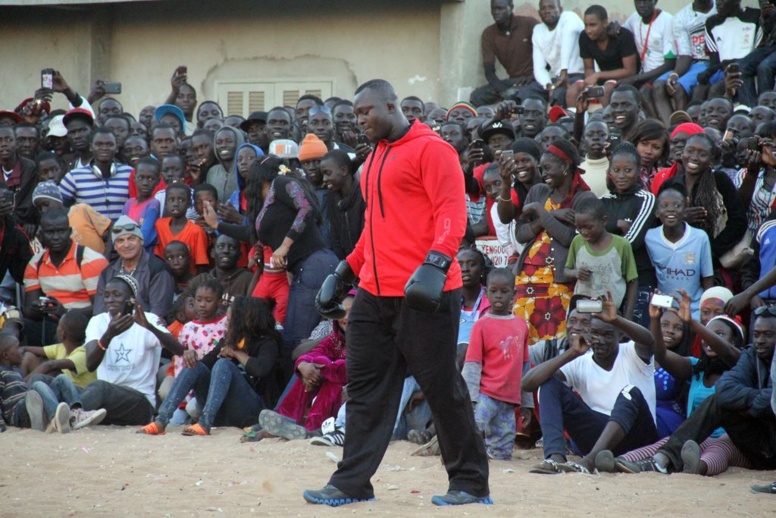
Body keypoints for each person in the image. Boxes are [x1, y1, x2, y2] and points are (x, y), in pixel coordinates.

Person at [306, 79, 491, 507]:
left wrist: (438, 261)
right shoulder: (371, 161)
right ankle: (351, 483)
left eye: (365, 112)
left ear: (391, 106)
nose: (359, 122)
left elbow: (452, 211)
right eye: (354, 116)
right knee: (366, 388)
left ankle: (470, 483)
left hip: (424, 293)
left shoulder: (434, 150)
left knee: (442, 387)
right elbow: (375, 227)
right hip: (374, 292)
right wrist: (346, 268)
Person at [522, 292, 658, 474]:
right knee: (549, 383)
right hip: (600, 438)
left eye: (607, 335)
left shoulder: (633, 352)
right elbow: (527, 384)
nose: (600, 340)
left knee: (630, 392)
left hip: (639, 438)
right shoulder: (581, 361)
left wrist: (616, 319)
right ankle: (555, 457)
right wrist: (571, 353)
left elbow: (648, 340)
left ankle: (589, 461)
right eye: (595, 334)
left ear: (619, 335)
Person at [138, 296, 282, 436]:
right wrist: (191, 355)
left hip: (251, 413)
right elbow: (205, 364)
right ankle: (161, 420)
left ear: (243, 321)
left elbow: (260, 369)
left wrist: (237, 354)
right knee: (195, 366)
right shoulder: (230, 340)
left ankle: (204, 423)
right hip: (223, 414)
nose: (225, 323)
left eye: (230, 320)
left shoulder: (267, 342)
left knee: (223, 364)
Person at [514, 139, 596, 344]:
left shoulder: (584, 198)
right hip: (527, 278)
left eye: (548, 168)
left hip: (559, 281)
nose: (543, 174)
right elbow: (521, 234)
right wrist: (554, 215)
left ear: (565, 166)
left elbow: (569, 238)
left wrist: (541, 212)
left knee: (555, 340)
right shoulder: (538, 192)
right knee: (525, 340)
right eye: (541, 169)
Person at [81, 274, 183, 425]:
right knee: (51, 381)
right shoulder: (97, 322)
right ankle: (57, 415)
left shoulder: (147, 319)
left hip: (140, 401)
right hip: (106, 401)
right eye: (107, 295)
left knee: (99, 388)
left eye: (117, 295)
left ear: (131, 299)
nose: (110, 300)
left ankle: (72, 415)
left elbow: (178, 349)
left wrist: (149, 327)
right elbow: (90, 365)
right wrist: (108, 335)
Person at [259, 293, 354, 440]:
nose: (346, 317)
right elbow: (314, 352)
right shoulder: (336, 339)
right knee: (306, 376)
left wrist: (324, 368)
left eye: (352, 312)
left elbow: (353, 368)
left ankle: (311, 429)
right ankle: (286, 420)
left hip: (355, 393)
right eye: (342, 312)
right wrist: (303, 365)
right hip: (330, 385)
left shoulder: (368, 338)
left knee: (331, 382)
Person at [462, 268, 531, 460]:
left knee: (503, 446)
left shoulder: (520, 325)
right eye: (494, 291)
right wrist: (472, 397)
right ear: (486, 293)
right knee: (472, 431)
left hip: (509, 399)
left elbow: (525, 367)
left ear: (514, 295)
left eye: (504, 291)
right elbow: (473, 363)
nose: (499, 296)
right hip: (486, 396)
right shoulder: (481, 325)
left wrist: (527, 403)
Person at [23, 208, 108, 344]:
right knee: (20, 325)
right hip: (50, 322)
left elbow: (101, 307)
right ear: (41, 234)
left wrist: (66, 312)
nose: (56, 237)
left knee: (65, 328)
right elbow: (29, 311)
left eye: (61, 231)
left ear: (70, 232)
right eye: (50, 232)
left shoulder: (90, 260)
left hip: (85, 323)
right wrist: (36, 308)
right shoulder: (35, 263)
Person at [600, 142, 658, 327]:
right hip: (608, 281)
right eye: (616, 170)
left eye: (628, 170)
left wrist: (602, 234)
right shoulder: (603, 201)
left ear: (639, 170)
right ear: (609, 172)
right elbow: (583, 233)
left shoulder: (646, 199)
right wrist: (617, 225)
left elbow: (631, 242)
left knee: (634, 339)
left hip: (640, 279)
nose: (621, 176)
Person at [646, 187, 714, 320]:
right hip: (664, 309)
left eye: (677, 205)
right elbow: (652, 276)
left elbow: (707, 277)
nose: (671, 209)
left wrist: (706, 309)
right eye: (664, 206)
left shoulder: (699, 238)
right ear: (656, 212)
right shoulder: (650, 237)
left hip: (693, 309)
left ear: (685, 209)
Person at [565, 197, 639, 318]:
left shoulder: (621, 245)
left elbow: (632, 281)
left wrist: (628, 314)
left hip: (610, 313)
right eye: (579, 228)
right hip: (582, 311)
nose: (584, 232)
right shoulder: (577, 242)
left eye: (588, 227)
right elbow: (566, 271)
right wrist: (575, 273)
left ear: (604, 221)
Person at [94, 216, 175, 318]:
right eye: (120, 241)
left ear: (141, 241)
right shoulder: (107, 272)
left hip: (146, 329)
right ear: (115, 246)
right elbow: (99, 314)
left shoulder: (157, 269)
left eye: (131, 238)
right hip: (113, 328)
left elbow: (158, 313)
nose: (126, 245)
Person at [652, 0, 716, 125]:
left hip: (710, 62)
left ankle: (683, 127)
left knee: (678, 88)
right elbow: (685, 54)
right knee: (658, 86)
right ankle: (670, 129)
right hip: (692, 63)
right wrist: (675, 74)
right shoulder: (681, 17)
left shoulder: (721, 7)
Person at [470, 0, 542, 107]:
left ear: (511, 7)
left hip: (534, 79)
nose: (496, 12)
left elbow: (549, 53)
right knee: (476, 96)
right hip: (512, 81)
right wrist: (502, 90)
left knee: (523, 94)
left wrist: (534, 76)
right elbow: (489, 72)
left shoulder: (529, 24)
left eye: (500, 8)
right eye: (493, 8)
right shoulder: (489, 34)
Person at [566, 5, 638, 107]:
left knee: (604, 91)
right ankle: (573, 121)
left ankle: (607, 120)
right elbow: (589, 68)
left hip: (625, 79)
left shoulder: (622, 36)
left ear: (605, 23)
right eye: (586, 25)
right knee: (572, 92)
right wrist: (591, 84)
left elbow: (630, 71)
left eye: (592, 25)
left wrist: (598, 75)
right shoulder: (584, 37)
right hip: (604, 79)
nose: (588, 30)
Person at [59, 128, 132, 222]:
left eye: (109, 144)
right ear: (90, 147)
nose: (104, 148)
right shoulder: (73, 176)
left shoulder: (130, 173)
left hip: (123, 234)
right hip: (89, 235)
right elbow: (59, 208)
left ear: (117, 148)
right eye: (99, 144)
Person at [531, 0, 585, 108]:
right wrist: (548, 85)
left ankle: (560, 122)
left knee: (559, 94)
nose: (547, 11)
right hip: (557, 79)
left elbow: (567, 41)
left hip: (578, 74)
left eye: (551, 7)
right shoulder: (538, 30)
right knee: (528, 91)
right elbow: (539, 67)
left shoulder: (569, 18)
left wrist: (564, 71)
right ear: (539, 12)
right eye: (544, 8)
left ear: (560, 9)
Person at [154, 183, 210, 275]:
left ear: (189, 204)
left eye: (181, 200)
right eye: (171, 200)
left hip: (189, 280)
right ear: (166, 203)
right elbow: (158, 258)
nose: (175, 204)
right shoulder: (159, 225)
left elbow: (201, 264)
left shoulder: (196, 231)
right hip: (165, 277)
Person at [320, 150, 365, 260]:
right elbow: (335, 235)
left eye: (328, 173)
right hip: (347, 264)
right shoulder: (332, 197)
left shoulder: (363, 196)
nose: (324, 179)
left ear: (344, 170)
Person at [0, 125, 38, 230]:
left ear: (16, 144)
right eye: (0, 140)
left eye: (9, 140)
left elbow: (27, 204)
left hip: (22, 223)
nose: (3, 144)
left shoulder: (29, 168)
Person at [122, 158, 161, 254]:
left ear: (158, 181)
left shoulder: (153, 204)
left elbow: (144, 237)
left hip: (145, 255)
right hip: (127, 252)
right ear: (134, 179)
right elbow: (120, 228)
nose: (145, 183)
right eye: (141, 178)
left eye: (150, 178)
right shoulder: (129, 203)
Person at [207, 125, 245, 203]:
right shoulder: (212, 171)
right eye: (219, 142)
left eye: (229, 141)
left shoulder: (244, 170)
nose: (223, 145)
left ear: (238, 143)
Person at [210, 234, 253, 303]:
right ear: (212, 253)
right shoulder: (201, 280)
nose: (226, 251)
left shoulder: (248, 280)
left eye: (232, 248)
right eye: (221, 246)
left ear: (240, 255)